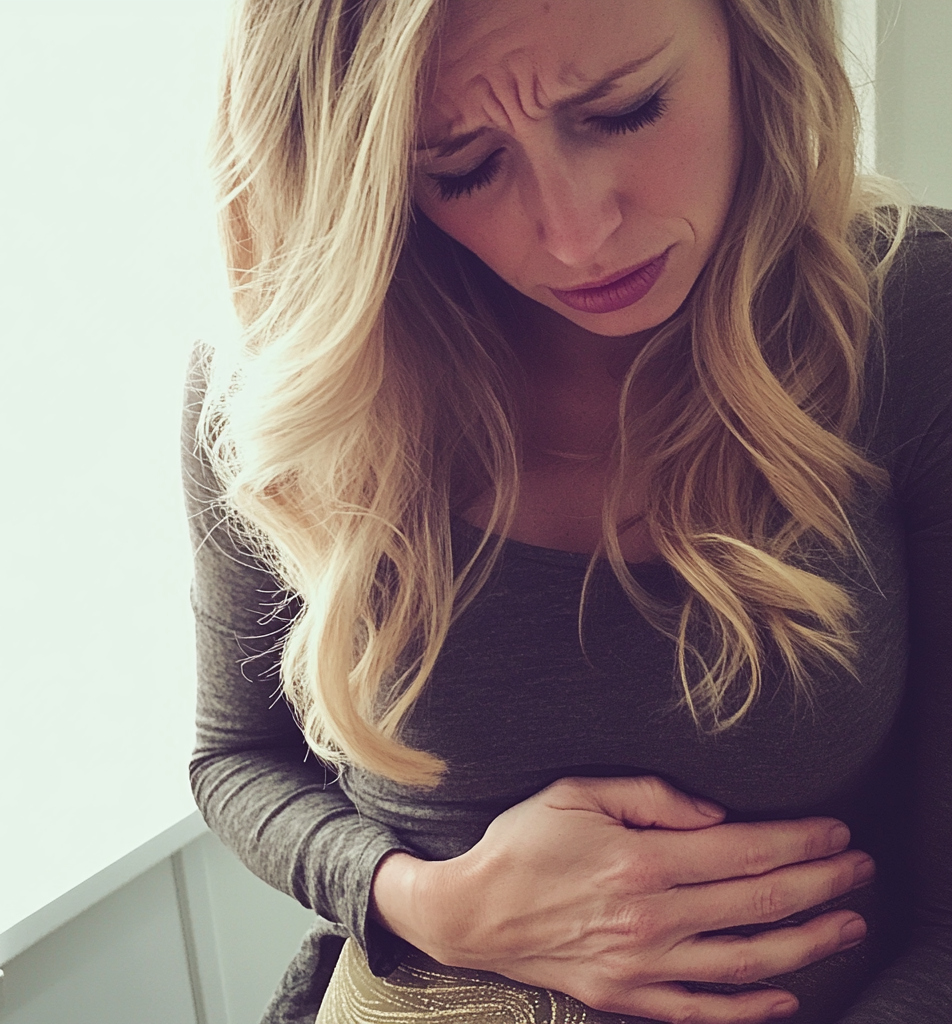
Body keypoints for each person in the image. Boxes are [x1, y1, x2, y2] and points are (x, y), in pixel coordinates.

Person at [183, 0, 951, 1021]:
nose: (577, 233)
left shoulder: (910, 314)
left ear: (753, 32)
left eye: (625, 110)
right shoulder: (291, 381)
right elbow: (237, 756)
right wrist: (422, 900)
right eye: (460, 167)